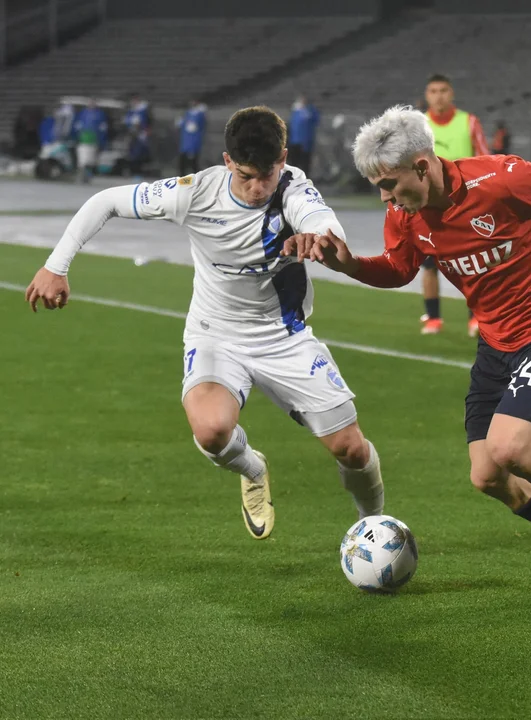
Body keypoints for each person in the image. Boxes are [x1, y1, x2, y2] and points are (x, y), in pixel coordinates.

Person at [283, 105, 531, 590]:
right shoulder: (405, 214)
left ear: (422, 166)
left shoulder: (501, 181)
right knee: (486, 475)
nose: (384, 196)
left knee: (511, 447)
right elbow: (400, 268)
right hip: (497, 341)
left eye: (390, 183)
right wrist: (350, 265)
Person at [24, 106, 385, 541]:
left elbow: (322, 221)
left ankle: (374, 524)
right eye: (246, 175)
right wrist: (56, 266)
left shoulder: (293, 187)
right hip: (216, 334)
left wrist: (322, 237)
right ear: (228, 161)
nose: (256, 188)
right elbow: (106, 201)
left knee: (351, 449)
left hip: (284, 339)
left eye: (266, 176)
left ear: (283, 158)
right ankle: (252, 469)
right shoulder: (193, 193)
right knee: (213, 431)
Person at [421, 73, 489, 337]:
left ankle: (477, 317)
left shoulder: (469, 122)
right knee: (429, 265)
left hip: (465, 204)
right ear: (427, 95)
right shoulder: (419, 126)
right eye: (434, 91)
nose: (439, 96)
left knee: (475, 263)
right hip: (428, 206)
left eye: (443, 90)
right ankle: (434, 318)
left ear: (452, 94)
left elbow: (485, 161)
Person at [73, 100, 108, 184]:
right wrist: (77, 137)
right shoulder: (83, 114)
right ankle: (81, 176)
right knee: (82, 161)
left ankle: (88, 176)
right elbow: (77, 126)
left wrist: (101, 140)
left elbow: (103, 128)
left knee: (90, 160)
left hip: (93, 141)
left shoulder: (100, 114)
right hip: (83, 141)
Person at [287, 95, 320, 176]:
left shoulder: (310, 110)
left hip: (306, 141)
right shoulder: (296, 111)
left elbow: (316, 120)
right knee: (294, 162)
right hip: (294, 141)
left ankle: (305, 178)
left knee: (305, 162)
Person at [125, 94, 152, 178]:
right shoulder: (131, 111)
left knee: (139, 153)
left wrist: (145, 130)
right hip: (133, 134)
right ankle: (132, 171)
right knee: (132, 153)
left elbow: (148, 122)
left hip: (141, 134)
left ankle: (138, 172)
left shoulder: (144, 110)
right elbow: (127, 121)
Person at [177, 99, 207, 176]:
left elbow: (200, 126)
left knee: (194, 161)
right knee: (183, 160)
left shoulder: (200, 115)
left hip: (194, 141)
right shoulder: (187, 113)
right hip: (186, 141)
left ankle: (195, 176)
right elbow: (181, 124)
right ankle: (182, 176)